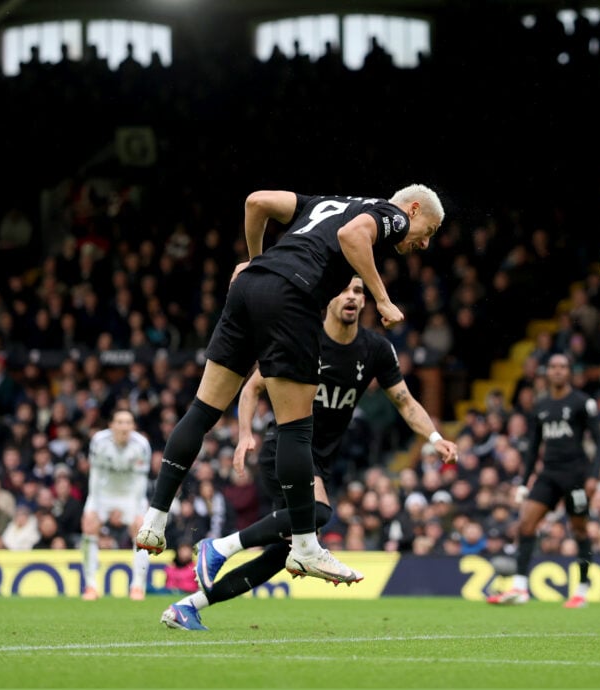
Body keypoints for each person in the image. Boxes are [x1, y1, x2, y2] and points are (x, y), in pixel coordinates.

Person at [135, 185, 444, 586]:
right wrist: (383, 299)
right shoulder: (393, 215)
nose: (424, 241)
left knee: (202, 411)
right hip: (292, 297)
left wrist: (254, 259)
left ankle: (154, 520)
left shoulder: (325, 203)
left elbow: (255, 202)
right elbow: (353, 236)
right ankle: (305, 547)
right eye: (430, 229)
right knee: (296, 427)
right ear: (414, 209)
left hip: (248, 288)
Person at [161, 276, 458, 630]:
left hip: (319, 459)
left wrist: (435, 437)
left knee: (282, 554)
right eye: (344, 289)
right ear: (328, 299)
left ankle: (188, 607)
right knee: (316, 513)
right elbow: (252, 386)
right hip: (284, 447)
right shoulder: (302, 337)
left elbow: (406, 402)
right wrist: (244, 435)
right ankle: (221, 547)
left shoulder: (376, 350)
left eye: (358, 291)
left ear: (365, 302)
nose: (351, 296)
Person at [487, 352, 600, 608]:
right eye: (553, 367)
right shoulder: (540, 405)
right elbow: (533, 447)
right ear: (547, 372)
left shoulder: (582, 402)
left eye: (563, 366)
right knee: (526, 524)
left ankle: (582, 590)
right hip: (549, 474)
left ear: (569, 371)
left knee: (580, 530)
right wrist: (523, 481)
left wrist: (593, 476)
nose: (558, 370)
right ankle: (520, 587)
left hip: (575, 475)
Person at [81, 409, 153, 600]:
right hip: (103, 494)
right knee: (89, 525)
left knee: (141, 532)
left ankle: (137, 586)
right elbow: (94, 476)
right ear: (111, 425)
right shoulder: (99, 441)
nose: (124, 427)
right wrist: (95, 506)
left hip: (130, 495)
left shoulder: (141, 445)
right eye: (120, 422)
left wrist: (137, 510)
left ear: (133, 426)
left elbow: (141, 481)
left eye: (128, 423)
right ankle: (91, 586)